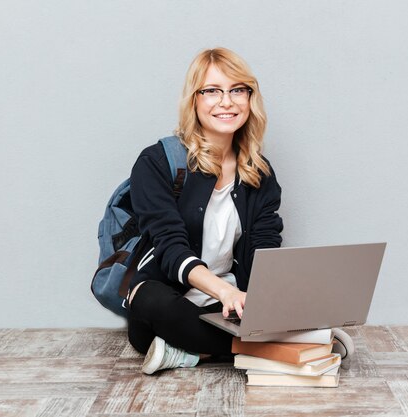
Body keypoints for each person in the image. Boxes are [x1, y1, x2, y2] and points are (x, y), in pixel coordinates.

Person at [126, 47, 352, 375]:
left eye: (237, 90)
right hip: (173, 300)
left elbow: (264, 248)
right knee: (149, 301)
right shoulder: (157, 162)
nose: (227, 101)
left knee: (293, 296)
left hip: (231, 304)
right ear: (194, 100)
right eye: (212, 91)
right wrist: (225, 291)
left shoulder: (258, 173)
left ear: (250, 98)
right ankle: (297, 349)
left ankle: (191, 354)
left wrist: (263, 301)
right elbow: (170, 248)